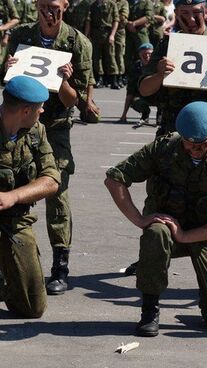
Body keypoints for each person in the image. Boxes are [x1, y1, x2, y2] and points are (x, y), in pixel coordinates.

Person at [105, 101, 207, 337]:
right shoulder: (164, 148)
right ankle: (150, 309)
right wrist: (140, 219)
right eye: (188, 144)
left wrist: (185, 235)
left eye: (201, 145)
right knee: (155, 232)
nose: (194, 150)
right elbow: (114, 178)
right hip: (168, 229)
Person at [4, 0, 94, 296]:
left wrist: (65, 80)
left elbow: (74, 101)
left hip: (54, 126)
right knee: (9, 185)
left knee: (57, 192)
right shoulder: (22, 36)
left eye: (55, 6)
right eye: (44, 5)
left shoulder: (77, 42)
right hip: (19, 122)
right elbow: (8, 83)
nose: (49, 12)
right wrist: (7, 68)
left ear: (65, 6)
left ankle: (60, 266)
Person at [139, 0, 207, 137]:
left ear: (206, 12)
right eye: (184, 13)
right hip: (172, 132)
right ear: (176, 14)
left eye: (196, 12)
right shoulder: (166, 46)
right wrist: (159, 75)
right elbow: (144, 89)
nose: (191, 19)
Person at [0, 76, 60, 318]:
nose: (43, 111)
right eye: (39, 107)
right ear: (26, 110)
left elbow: (51, 180)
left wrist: (13, 196)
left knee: (32, 308)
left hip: (15, 220)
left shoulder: (36, 131)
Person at [85, 0, 120, 90]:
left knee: (111, 56)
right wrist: (87, 35)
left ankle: (114, 80)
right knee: (97, 57)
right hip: (96, 33)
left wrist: (112, 35)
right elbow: (89, 20)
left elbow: (116, 20)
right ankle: (100, 78)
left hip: (107, 32)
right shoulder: (93, 5)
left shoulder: (112, 5)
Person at [119, 42, 155, 125]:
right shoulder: (135, 67)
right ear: (139, 54)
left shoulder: (158, 65)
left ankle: (161, 117)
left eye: (149, 53)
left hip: (157, 95)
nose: (147, 56)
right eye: (144, 54)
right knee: (135, 101)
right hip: (143, 95)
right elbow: (130, 91)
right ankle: (145, 114)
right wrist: (124, 115)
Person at [125, 0, 153, 71]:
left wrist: (134, 24)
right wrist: (128, 24)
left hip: (141, 32)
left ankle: (145, 73)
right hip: (128, 32)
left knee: (145, 53)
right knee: (127, 55)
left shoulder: (147, 2)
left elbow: (149, 16)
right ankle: (128, 75)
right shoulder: (128, 2)